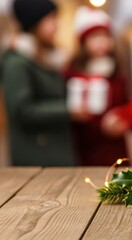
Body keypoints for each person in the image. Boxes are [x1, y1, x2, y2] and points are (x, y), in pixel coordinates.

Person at [65, 7, 132, 166]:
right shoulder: (72, 72)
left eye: (105, 37)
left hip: (115, 149)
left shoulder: (116, 72)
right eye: (94, 37)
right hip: (84, 148)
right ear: (83, 42)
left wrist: (123, 119)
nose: (101, 43)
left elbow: (131, 105)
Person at [0, 0, 75, 166]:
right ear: (34, 23)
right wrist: (68, 109)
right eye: (50, 19)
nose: (56, 25)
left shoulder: (47, 59)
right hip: (37, 158)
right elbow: (22, 110)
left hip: (55, 152)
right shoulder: (17, 62)